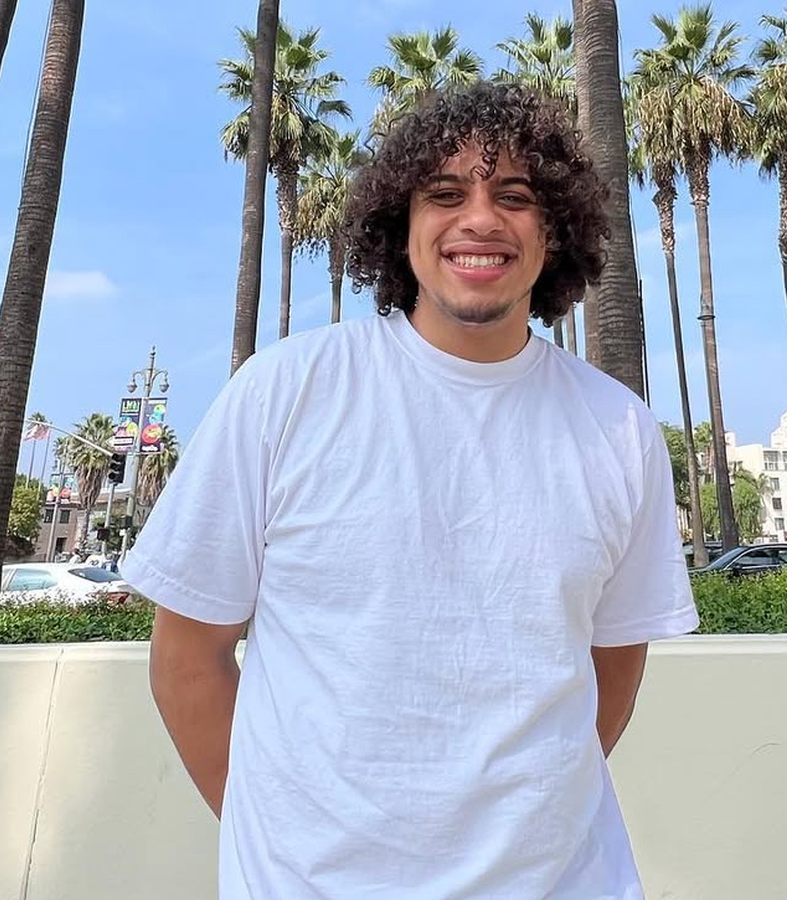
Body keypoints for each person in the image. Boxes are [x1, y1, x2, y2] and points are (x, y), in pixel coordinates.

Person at [122, 81, 697, 900]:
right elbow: (188, 659)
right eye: (445, 194)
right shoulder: (287, 392)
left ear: (556, 230)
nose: (480, 220)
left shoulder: (620, 429)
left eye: (515, 196)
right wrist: (281, 845)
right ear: (401, 224)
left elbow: (613, 674)